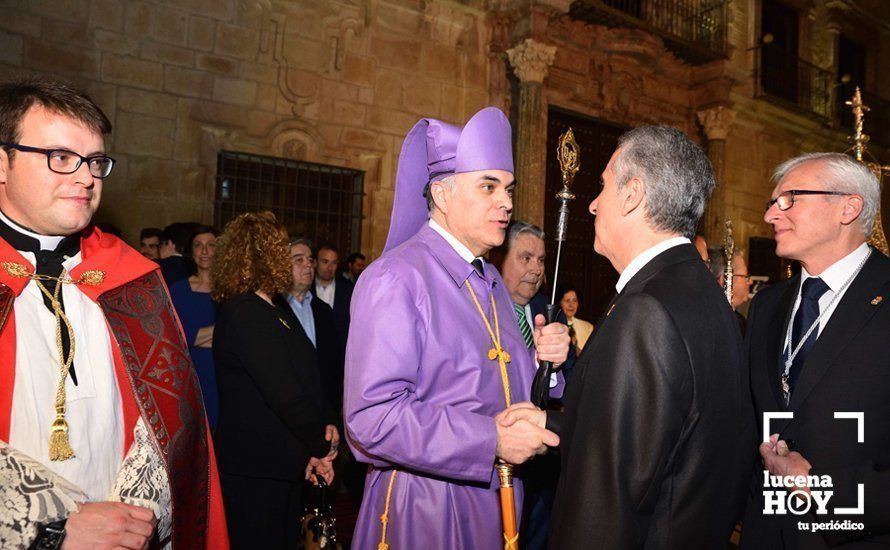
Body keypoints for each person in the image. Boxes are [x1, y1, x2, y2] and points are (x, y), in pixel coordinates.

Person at [501, 125, 753, 549]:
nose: (594, 205)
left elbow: (606, 502)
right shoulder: (699, 292)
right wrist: (554, 423)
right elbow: (653, 440)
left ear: (633, 194)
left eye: (602, 188)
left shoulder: (646, 310)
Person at [0, 76, 226, 548]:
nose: (86, 177)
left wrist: (137, 518)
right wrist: (52, 531)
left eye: (96, 161)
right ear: (2, 163)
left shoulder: (133, 278)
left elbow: (174, 426)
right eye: (60, 158)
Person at [344, 107, 569, 549]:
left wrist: (548, 364)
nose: (505, 202)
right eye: (488, 186)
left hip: (496, 500)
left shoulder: (491, 282)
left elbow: (514, 392)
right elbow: (371, 418)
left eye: (508, 188)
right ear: (442, 194)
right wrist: (491, 439)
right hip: (422, 508)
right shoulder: (397, 277)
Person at [741, 152, 890, 548]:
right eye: (772, 203)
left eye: (789, 199)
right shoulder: (766, 305)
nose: (772, 215)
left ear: (848, 207)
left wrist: (820, 488)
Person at [211, 211, 338, 550]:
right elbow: (283, 392)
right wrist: (320, 444)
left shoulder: (274, 310)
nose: (287, 255)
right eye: (280, 247)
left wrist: (315, 443)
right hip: (255, 470)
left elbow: (308, 375)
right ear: (261, 255)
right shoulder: (245, 313)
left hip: (283, 464)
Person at [282, 237, 344, 417]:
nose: (308, 265)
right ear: (282, 266)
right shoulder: (273, 307)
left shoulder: (323, 310)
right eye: (299, 260)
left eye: (310, 259)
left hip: (322, 409)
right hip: (287, 408)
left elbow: (333, 362)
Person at [169, 225, 220, 430]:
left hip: (221, 372)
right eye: (198, 246)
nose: (205, 251)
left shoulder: (231, 290)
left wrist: (197, 337)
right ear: (191, 252)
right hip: (191, 374)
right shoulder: (178, 290)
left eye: (211, 245)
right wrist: (221, 331)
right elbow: (178, 335)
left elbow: (240, 336)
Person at [707, 245, 752, 335]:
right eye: (745, 276)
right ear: (725, 279)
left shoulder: (740, 322)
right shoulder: (710, 323)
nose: (750, 281)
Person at [314, 243, 353, 345]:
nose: (329, 267)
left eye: (334, 263)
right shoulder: (306, 290)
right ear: (315, 262)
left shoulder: (348, 291)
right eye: (325, 262)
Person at [557, 286, 593, 353]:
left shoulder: (588, 327)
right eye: (567, 301)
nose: (571, 305)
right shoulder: (554, 326)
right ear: (560, 303)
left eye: (575, 301)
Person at [157, 221, 194, 286]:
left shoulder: (158, 267)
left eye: (160, 245)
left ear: (169, 243)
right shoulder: (194, 265)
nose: (159, 250)